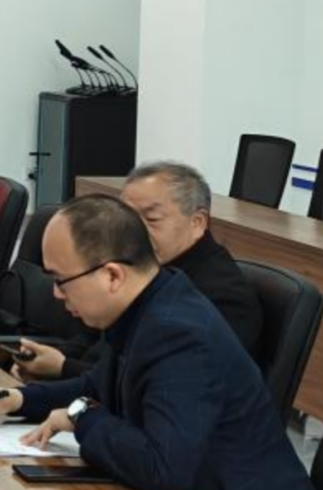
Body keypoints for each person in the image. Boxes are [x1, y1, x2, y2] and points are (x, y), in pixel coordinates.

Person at [0, 195, 323, 490]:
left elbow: (162, 468)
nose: (56, 294)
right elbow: (98, 385)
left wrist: (83, 417)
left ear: (112, 276)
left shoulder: (177, 332)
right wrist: (17, 399)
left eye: (61, 280)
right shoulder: (148, 303)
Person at [13, 161, 262, 381]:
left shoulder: (222, 297)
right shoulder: (137, 266)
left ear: (197, 223)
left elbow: (158, 382)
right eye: (128, 217)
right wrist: (53, 358)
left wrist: (64, 368)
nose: (135, 230)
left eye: (151, 219)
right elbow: (95, 339)